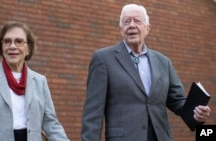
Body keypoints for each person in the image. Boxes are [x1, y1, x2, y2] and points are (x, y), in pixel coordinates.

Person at [81, 4, 211, 141]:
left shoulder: (163, 62)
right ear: (121, 29)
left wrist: (196, 113)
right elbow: (92, 113)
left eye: (137, 21)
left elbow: (177, 100)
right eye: (127, 21)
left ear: (147, 28)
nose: (131, 25)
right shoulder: (103, 59)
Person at [0, 21, 69, 141]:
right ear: (1, 46)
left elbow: (51, 123)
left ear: (28, 49)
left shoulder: (40, 81)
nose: (12, 46)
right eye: (7, 41)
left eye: (19, 41)